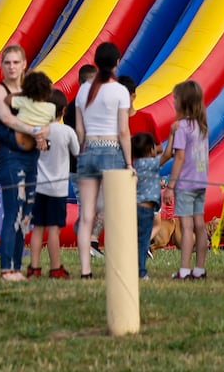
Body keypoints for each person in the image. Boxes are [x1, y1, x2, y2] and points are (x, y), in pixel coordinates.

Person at [0, 46, 47, 283]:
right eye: (7, 63)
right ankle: (6, 268)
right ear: (2, 66)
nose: (11, 67)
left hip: (31, 155)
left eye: (16, 62)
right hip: (10, 154)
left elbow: (44, 115)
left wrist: (44, 132)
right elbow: (6, 118)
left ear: (24, 64)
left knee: (26, 213)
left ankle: (16, 266)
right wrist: (34, 130)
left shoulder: (29, 90)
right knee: (13, 208)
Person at [76, 41, 131, 279]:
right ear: (117, 62)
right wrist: (128, 163)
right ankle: (116, 267)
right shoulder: (120, 91)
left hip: (88, 150)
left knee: (87, 214)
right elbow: (123, 131)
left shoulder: (83, 90)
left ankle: (85, 270)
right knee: (114, 212)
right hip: (111, 150)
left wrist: (81, 152)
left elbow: (79, 130)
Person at [163, 79, 210, 280]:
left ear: (183, 101)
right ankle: (199, 268)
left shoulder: (182, 127)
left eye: (175, 98)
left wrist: (170, 186)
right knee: (200, 225)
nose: (173, 102)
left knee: (186, 226)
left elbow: (179, 157)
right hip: (200, 182)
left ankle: (184, 270)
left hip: (185, 184)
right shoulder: (201, 126)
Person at [28, 89, 77, 278]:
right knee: (54, 231)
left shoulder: (37, 131)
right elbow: (76, 151)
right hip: (58, 189)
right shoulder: (66, 132)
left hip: (39, 187)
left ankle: (33, 267)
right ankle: (55, 267)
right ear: (63, 110)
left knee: (38, 228)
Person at [131, 131, 161, 279]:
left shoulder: (135, 164)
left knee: (133, 239)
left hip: (134, 208)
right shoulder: (151, 163)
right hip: (146, 210)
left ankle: (129, 267)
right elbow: (167, 156)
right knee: (143, 241)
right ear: (150, 150)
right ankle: (141, 271)